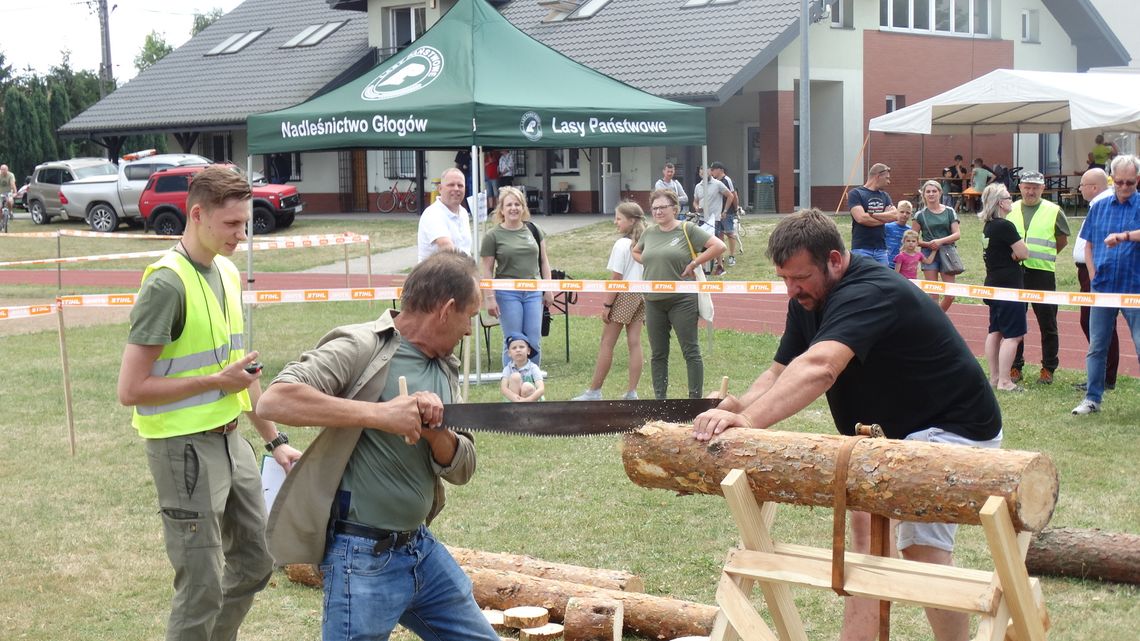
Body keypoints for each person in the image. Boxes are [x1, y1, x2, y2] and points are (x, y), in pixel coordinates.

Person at [692, 209, 1002, 641]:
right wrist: (738, 404)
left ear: (835, 260)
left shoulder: (869, 290)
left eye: (799, 277)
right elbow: (784, 370)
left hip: (952, 427)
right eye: (783, 278)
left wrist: (746, 420)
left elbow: (820, 368)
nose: (791, 288)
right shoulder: (809, 298)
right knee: (864, 525)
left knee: (921, 549)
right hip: (896, 432)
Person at [257, 251, 500, 641]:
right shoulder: (362, 346)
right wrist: (379, 414)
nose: (470, 330)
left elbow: (462, 468)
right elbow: (275, 400)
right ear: (446, 309)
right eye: (469, 316)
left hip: (419, 549)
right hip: (362, 557)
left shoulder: (444, 365)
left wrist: (436, 431)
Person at [115, 165, 302, 641]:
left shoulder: (226, 270)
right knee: (200, 588)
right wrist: (215, 381)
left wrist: (274, 440)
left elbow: (241, 370)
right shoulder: (165, 284)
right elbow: (130, 390)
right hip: (183, 451)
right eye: (233, 225)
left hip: (231, 441)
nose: (243, 234)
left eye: (245, 224)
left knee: (257, 561)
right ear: (197, 215)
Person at [632, 188, 726, 399]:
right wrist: (648, 261)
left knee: (690, 351)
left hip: (682, 300)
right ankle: (660, 400)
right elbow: (636, 251)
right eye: (654, 208)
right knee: (658, 354)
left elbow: (718, 246)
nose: (657, 212)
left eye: (662, 207)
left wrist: (695, 262)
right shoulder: (649, 232)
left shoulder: (687, 229)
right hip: (653, 301)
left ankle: (694, 400)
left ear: (674, 208)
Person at [1073, 155, 1140, 415]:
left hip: (1134, 288)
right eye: (1120, 182)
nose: (1124, 187)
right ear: (1112, 179)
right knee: (1097, 346)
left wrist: (1125, 237)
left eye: (1130, 183)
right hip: (1102, 288)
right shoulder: (1099, 207)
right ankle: (1092, 399)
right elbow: (1088, 243)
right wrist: (1092, 274)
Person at [572, 201, 647, 401]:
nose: (615, 222)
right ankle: (632, 392)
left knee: (607, 342)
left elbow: (616, 278)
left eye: (619, 218)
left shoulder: (622, 244)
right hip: (641, 293)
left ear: (631, 221)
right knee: (635, 343)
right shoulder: (644, 242)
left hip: (624, 293)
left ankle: (594, 390)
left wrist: (607, 305)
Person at [1007, 170, 1070, 385]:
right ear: (1020, 187)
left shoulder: (1054, 210)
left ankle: (1048, 367)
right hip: (1015, 271)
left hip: (1042, 273)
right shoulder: (1010, 208)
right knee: (1015, 320)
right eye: (1027, 186)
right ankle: (1015, 366)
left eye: (1035, 187)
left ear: (1042, 189)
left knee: (1047, 322)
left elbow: (1061, 241)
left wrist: (1046, 257)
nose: (1030, 191)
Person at [480, 185, 553, 365]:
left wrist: (548, 289)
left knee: (533, 341)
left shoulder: (534, 230)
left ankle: (533, 386)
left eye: (517, 204)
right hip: (507, 293)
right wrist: (489, 297)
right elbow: (487, 269)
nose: (514, 208)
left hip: (534, 292)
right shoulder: (493, 235)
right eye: (509, 205)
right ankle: (511, 387)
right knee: (513, 342)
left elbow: (544, 261)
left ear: (523, 207)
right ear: (502, 210)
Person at [980, 183, 1030, 393]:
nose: (1012, 200)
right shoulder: (1005, 226)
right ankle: (1005, 381)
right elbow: (1024, 252)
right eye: (1009, 197)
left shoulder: (989, 226)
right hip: (1009, 285)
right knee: (1013, 335)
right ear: (1001, 202)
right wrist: (1016, 254)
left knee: (996, 330)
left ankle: (994, 378)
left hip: (994, 282)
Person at [1072, 168, 1119, 392]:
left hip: (1097, 273)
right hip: (1089, 272)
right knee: (1092, 321)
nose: (1080, 189)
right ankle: (1101, 374)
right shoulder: (1097, 204)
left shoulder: (1103, 205)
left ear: (1093, 187)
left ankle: (1105, 376)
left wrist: (1094, 272)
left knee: (1099, 324)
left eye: (1082, 185)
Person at [912, 180, 963, 312]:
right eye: (928, 191)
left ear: (940, 193)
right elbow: (913, 239)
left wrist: (940, 241)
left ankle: (938, 317)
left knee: (950, 294)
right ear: (923, 194)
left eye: (934, 191)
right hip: (929, 255)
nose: (931, 194)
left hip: (948, 253)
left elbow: (957, 234)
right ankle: (935, 323)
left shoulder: (950, 211)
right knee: (933, 294)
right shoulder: (919, 215)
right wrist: (927, 244)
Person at [848, 162, 899, 266]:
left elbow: (895, 215)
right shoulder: (855, 193)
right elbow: (861, 218)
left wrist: (871, 214)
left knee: (882, 281)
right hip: (861, 249)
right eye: (887, 178)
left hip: (881, 250)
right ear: (878, 176)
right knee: (863, 280)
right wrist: (885, 216)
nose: (889, 182)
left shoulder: (885, 195)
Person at [417, 167, 472, 262]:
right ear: (440, 189)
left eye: (460, 185)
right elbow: (447, 247)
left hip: (459, 272)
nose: (456, 188)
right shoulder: (433, 213)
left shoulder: (463, 212)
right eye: (451, 185)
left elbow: (465, 249)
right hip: (435, 274)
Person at [709, 161, 740, 271]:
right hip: (717, 213)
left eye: (713, 170)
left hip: (728, 212)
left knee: (730, 233)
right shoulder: (714, 181)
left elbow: (733, 195)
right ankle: (720, 257)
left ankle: (731, 256)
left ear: (720, 170)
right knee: (719, 234)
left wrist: (735, 209)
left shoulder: (727, 180)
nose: (711, 172)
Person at [501, 333, 544, 402]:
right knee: (515, 377)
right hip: (514, 401)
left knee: (527, 387)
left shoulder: (533, 367)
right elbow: (504, 388)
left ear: (528, 351)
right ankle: (516, 409)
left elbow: (541, 389)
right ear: (509, 353)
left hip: (531, 400)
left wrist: (526, 400)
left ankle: (529, 410)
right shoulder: (507, 369)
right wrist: (515, 398)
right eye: (514, 348)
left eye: (521, 347)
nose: (518, 350)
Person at [884, 199, 913, 266]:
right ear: (897, 212)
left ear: (911, 215)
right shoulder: (887, 226)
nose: (904, 214)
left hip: (902, 264)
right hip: (887, 262)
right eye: (902, 212)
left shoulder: (910, 230)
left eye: (908, 213)